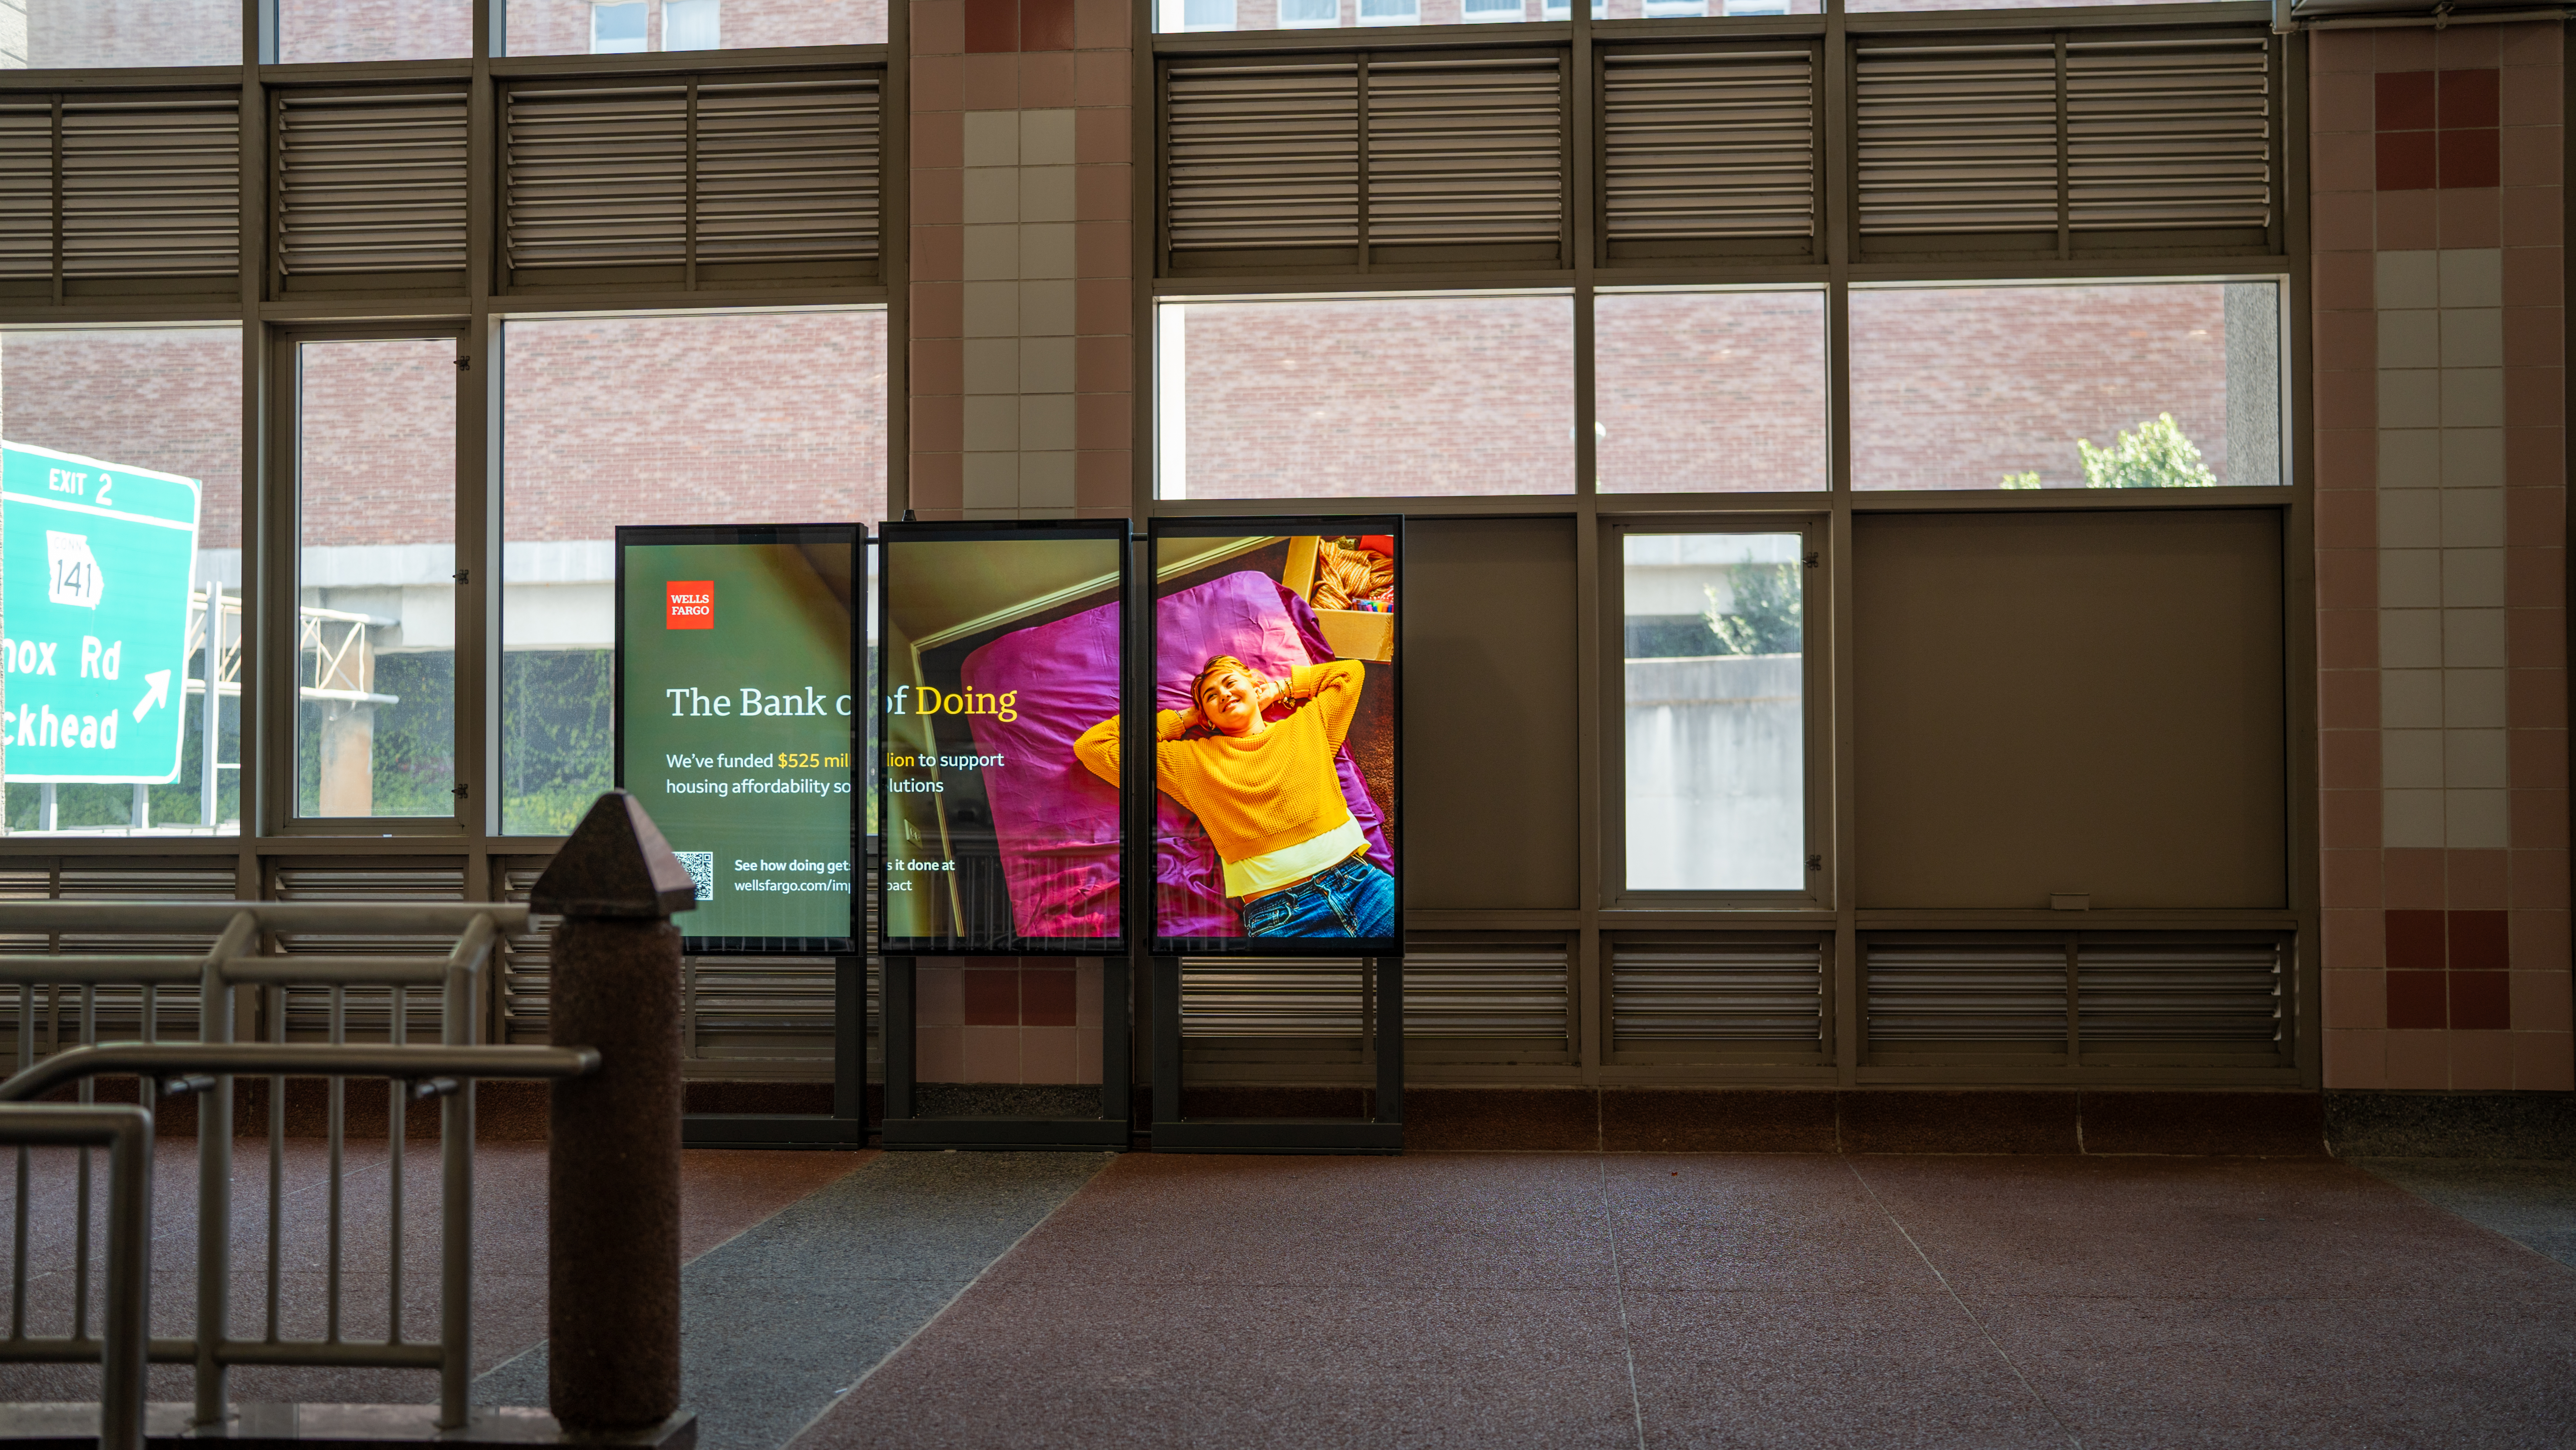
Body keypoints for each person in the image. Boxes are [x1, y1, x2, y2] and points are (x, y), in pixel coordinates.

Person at [1074, 654, 1392, 939]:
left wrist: (1281, 689)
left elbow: (1349, 674)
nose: (1224, 694)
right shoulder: (1191, 761)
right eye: (1211, 697)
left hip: (1363, 886)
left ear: (1255, 687)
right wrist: (1185, 719)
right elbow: (1095, 748)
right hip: (1284, 918)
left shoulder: (1309, 726)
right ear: (1208, 717)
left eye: (1230, 683)